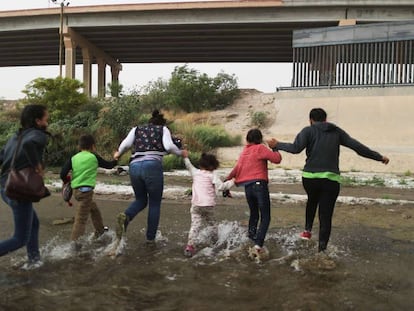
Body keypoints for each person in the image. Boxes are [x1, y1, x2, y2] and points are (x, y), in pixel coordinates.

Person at [268, 108, 389, 252]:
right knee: (325, 215)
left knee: (312, 200)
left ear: (311, 120)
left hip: (310, 178)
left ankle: (307, 231)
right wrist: (379, 157)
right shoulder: (337, 131)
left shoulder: (308, 130)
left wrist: (277, 145)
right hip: (330, 180)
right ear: (326, 120)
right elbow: (358, 147)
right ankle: (322, 251)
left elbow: (295, 148)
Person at [114, 110, 187, 245]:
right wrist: (181, 152)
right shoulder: (163, 129)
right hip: (152, 165)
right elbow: (169, 146)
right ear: (161, 124)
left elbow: (125, 145)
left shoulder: (137, 129)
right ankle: (150, 239)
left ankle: (126, 217)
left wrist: (118, 153)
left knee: (141, 200)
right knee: (154, 203)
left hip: (134, 166)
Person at [0, 104, 50, 269]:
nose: (47, 121)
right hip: (19, 189)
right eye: (46, 118)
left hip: (5, 187)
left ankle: (34, 260)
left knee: (33, 223)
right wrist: (37, 165)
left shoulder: (15, 136)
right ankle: (34, 260)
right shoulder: (39, 135)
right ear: (38, 121)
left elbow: (2, 156)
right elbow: (30, 146)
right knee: (20, 238)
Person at [226, 128, 282, 254]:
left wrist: (226, 182)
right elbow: (277, 159)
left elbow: (237, 168)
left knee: (254, 214)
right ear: (259, 139)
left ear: (247, 139)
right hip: (259, 186)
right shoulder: (260, 148)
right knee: (265, 216)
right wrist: (275, 147)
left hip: (248, 188)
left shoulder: (245, 151)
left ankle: (251, 240)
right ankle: (258, 246)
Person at [60, 134, 117, 243]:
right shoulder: (94, 157)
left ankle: (100, 230)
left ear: (79, 146)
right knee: (81, 219)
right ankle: (74, 244)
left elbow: (63, 173)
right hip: (86, 192)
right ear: (93, 146)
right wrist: (115, 158)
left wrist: (67, 179)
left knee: (93, 208)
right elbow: (109, 165)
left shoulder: (74, 158)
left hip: (76, 191)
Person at [183, 153, 234, 257]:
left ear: (201, 164)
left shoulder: (196, 172)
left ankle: (190, 247)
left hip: (196, 205)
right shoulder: (212, 175)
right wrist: (233, 181)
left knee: (195, 226)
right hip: (208, 206)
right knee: (212, 224)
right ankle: (215, 242)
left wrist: (185, 157)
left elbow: (189, 166)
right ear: (213, 166)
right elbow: (221, 187)